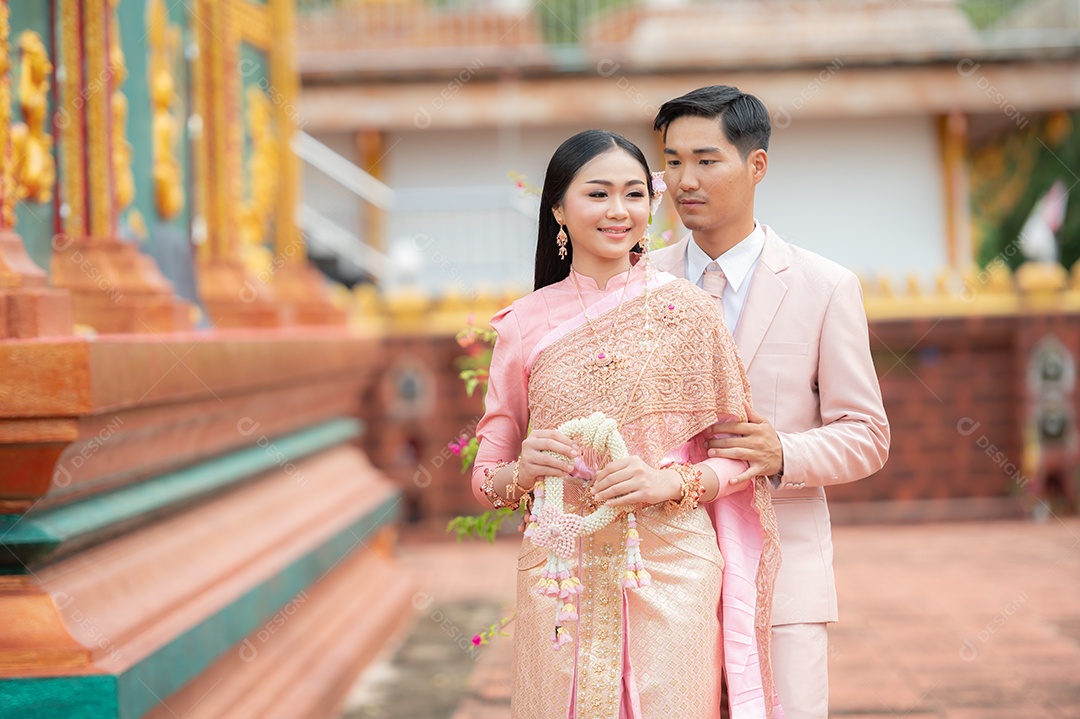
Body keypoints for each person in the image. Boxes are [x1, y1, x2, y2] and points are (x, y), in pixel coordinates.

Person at [472, 129, 785, 718]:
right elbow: (487, 476)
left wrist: (672, 483)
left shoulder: (690, 311)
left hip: (671, 566)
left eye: (635, 194)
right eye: (598, 194)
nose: (619, 212)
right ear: (559, 209)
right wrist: (523, 471)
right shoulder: (523, 324)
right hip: (562, 574)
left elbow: (741, 453)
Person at [651, 86, 891, 719]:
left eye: (706, 159)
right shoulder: (638, 283)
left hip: (784, 577)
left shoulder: (825, 286)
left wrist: (783, 450)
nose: (685, 180)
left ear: (756, 165)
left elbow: (867, 433)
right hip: (662, 572)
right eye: (672, 161)